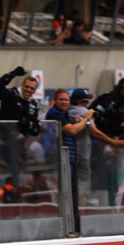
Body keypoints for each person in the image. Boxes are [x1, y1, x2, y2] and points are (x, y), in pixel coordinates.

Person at [47, 88, 94, 234]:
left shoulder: (65, 113)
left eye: (66, 100)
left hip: (69, 159)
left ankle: (71, 226)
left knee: (70, 193)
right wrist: (87, 118)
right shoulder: (55, 113)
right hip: (60, 159)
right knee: (63, 193)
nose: (64, 102)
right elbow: (72, 131)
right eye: (61, 99)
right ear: (55, 101)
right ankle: (64, 228)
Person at [0, 66, 41, 185]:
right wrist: (12, 74)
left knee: (20, 180)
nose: (29, 90)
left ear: (35, 91)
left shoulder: (34, 105)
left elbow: (36, 130)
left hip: (21, 148)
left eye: (32, 88)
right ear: (22, 86)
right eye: (27, 87)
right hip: (5, 144)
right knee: (6, 178)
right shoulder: (11, 95)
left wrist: (28, 123)